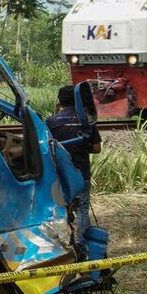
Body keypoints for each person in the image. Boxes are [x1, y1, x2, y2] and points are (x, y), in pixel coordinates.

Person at [47, 84, 102, 233]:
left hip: (59, 175)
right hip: (81, 173)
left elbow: (46, 147)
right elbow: (97, 148)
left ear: (60, 101)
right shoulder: (87, 122)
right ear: (78, 101)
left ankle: (64, 244)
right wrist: (84, 146)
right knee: (82, 210)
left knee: (60, 209)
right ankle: (82, 242)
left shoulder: (51, 122)